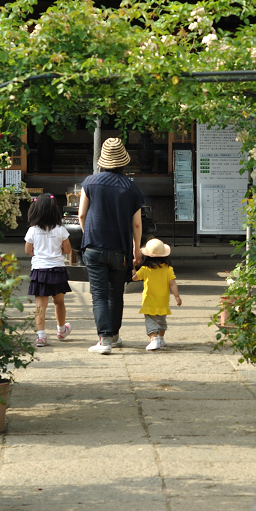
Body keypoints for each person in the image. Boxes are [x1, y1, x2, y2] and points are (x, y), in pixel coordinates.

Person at [78, 137, 144, 355]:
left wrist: (88, 234)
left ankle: (104, 339)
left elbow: (81, 214)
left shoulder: (89, 182)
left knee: (98, 294)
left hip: (94, 246)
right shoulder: (132, 188)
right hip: (120, 250)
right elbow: (136, 223)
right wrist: (136, 249)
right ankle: (114, 336)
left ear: (102, 161)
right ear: (123, 162)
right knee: (116, 295)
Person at [24, 194, 73, 347]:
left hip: (39, 270)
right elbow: (67, 250)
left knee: (40, 305)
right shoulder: (60, 230)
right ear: (54, 210)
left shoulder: (32, 230)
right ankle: (61, 330)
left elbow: (27, 250)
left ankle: (41, 336)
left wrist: (40, 254)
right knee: (59, 302)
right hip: (57, 270)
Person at [132, 239, 182, 351]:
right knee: (161, 320)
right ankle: (161, 338)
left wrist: (134, 266)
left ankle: (154, 340)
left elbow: (134, 278)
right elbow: (172, 283)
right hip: (163, 301)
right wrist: (177, 296)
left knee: (151, 320)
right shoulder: (168, 269)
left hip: (149, 301)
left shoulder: (145, 269)